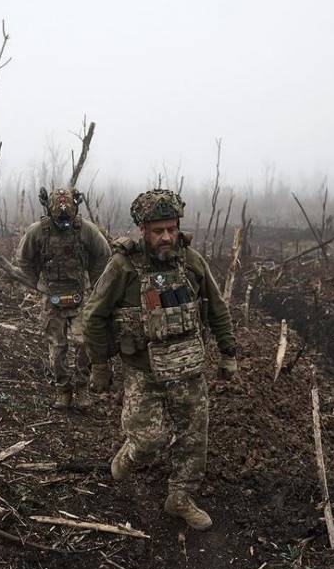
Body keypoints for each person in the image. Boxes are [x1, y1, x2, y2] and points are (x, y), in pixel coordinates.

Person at [83, 189, 237, 530]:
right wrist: (99, 366)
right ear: (143, 230)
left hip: (188, 369)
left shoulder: (192, 262)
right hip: (143, 371)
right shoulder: (123, 267)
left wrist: (228, 353)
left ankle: (179, 498)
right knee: (149, 440)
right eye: (158, 231)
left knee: (194, 438)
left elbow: (217, 307)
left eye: (171, 228)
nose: (166, 237)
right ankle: (131, 454)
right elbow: (94, 316)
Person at [16, 187, 112, 411]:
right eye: (60, 220)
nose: (64, 224)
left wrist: (94, 283)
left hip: (79, 296)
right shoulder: (38, 231)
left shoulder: (86, 230)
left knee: (83, 342)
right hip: (52, 299)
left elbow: (103, 254)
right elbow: (23, 258)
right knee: (57, 348)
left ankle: (82, 388)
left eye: (68, 219)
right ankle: (63, 391)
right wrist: (38, 284)